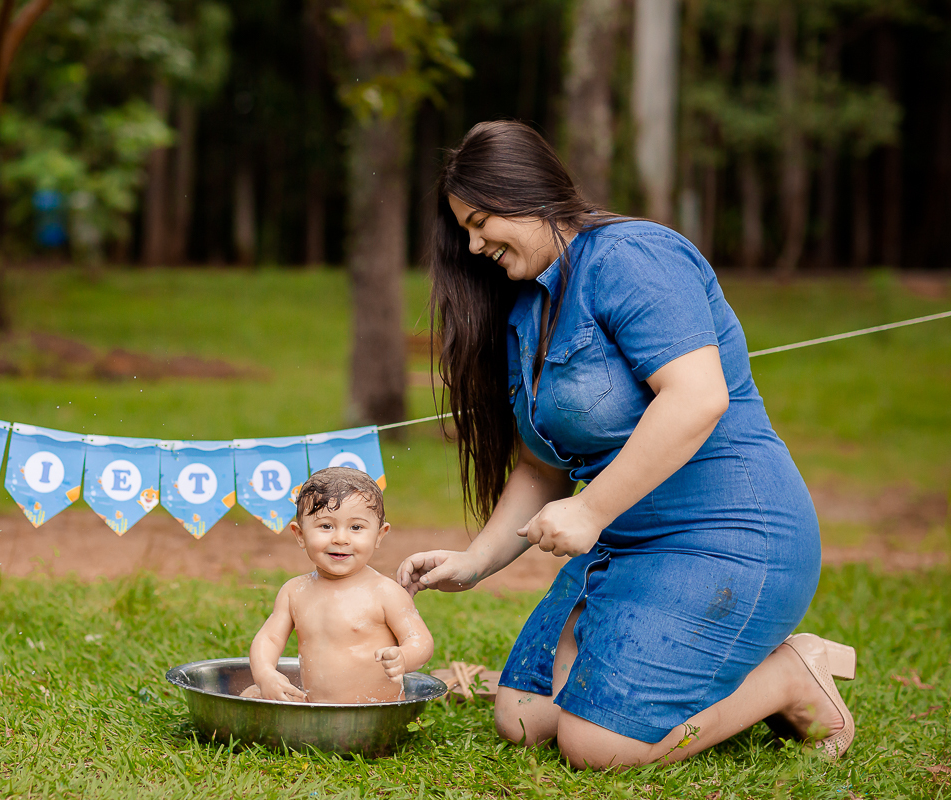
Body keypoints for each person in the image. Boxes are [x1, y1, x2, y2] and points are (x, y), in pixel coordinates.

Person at [396, 120, 855, 768]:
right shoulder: (527, 309)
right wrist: (473, 563)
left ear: (525, 193)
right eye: (463, 230)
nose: (472, 246)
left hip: (731, 534)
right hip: (625, 547)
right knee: (523, 719)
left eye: (479, 222)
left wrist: (590, 510)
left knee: (598, 746)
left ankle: (791, 675)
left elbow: (697, 398)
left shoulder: (633, 257)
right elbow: (541, 467)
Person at [244, 467, 434, 704]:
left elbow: (421, 640)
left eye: (356, 527)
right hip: (317, 709)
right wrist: (265, 674)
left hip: (375, 710)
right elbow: (269, 639)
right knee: (251, 693)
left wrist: (404, 657)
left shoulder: (384, 592)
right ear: (300, 535)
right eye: (326, 526)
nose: (341, 539)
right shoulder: (294, 592)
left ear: (379, 535)